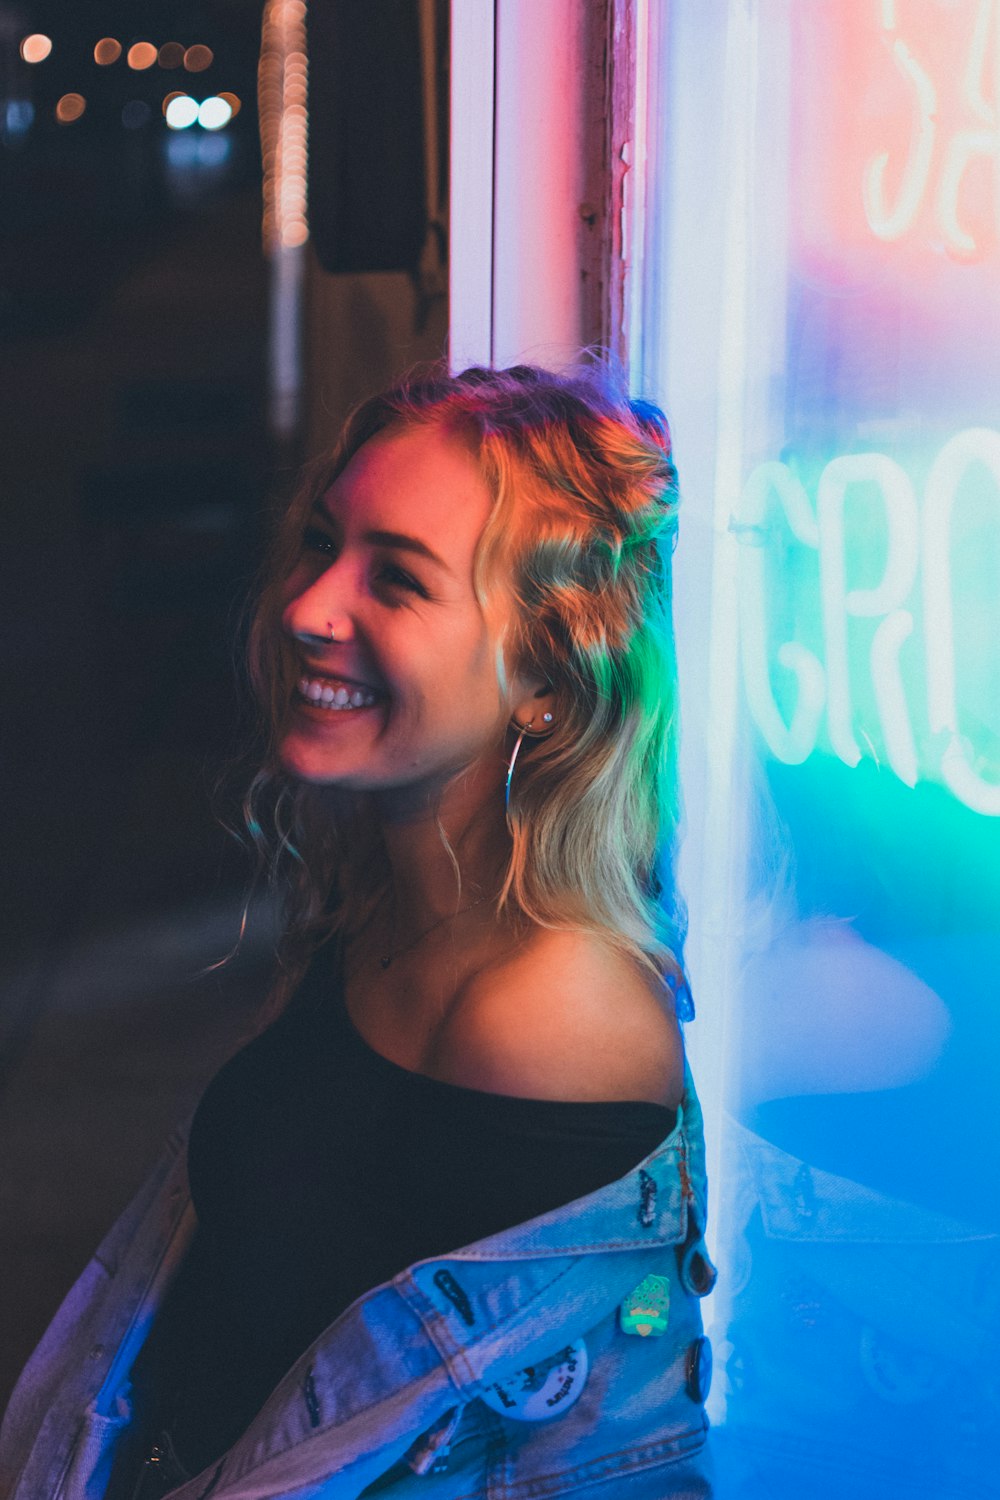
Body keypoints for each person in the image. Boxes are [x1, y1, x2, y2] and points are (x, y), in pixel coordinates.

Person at [0, 363, 717, 1500]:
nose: (304, 608)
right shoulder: (382, 905)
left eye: (398, 579)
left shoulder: (550, 1013)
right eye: (324, 545)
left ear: (546, 672)